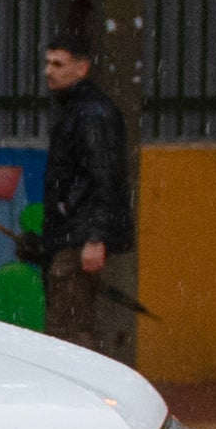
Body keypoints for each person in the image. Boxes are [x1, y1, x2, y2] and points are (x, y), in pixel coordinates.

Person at [41, 33, 137, 361]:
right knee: (70, 325)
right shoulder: (79, 110)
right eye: (47, 62)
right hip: (74, 233)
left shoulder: (90, 113)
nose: (48, 71)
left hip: (79, 235)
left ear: (81, 68)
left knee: (69, 329)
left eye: (58, 64)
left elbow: (106, 178)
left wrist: (95, 237)